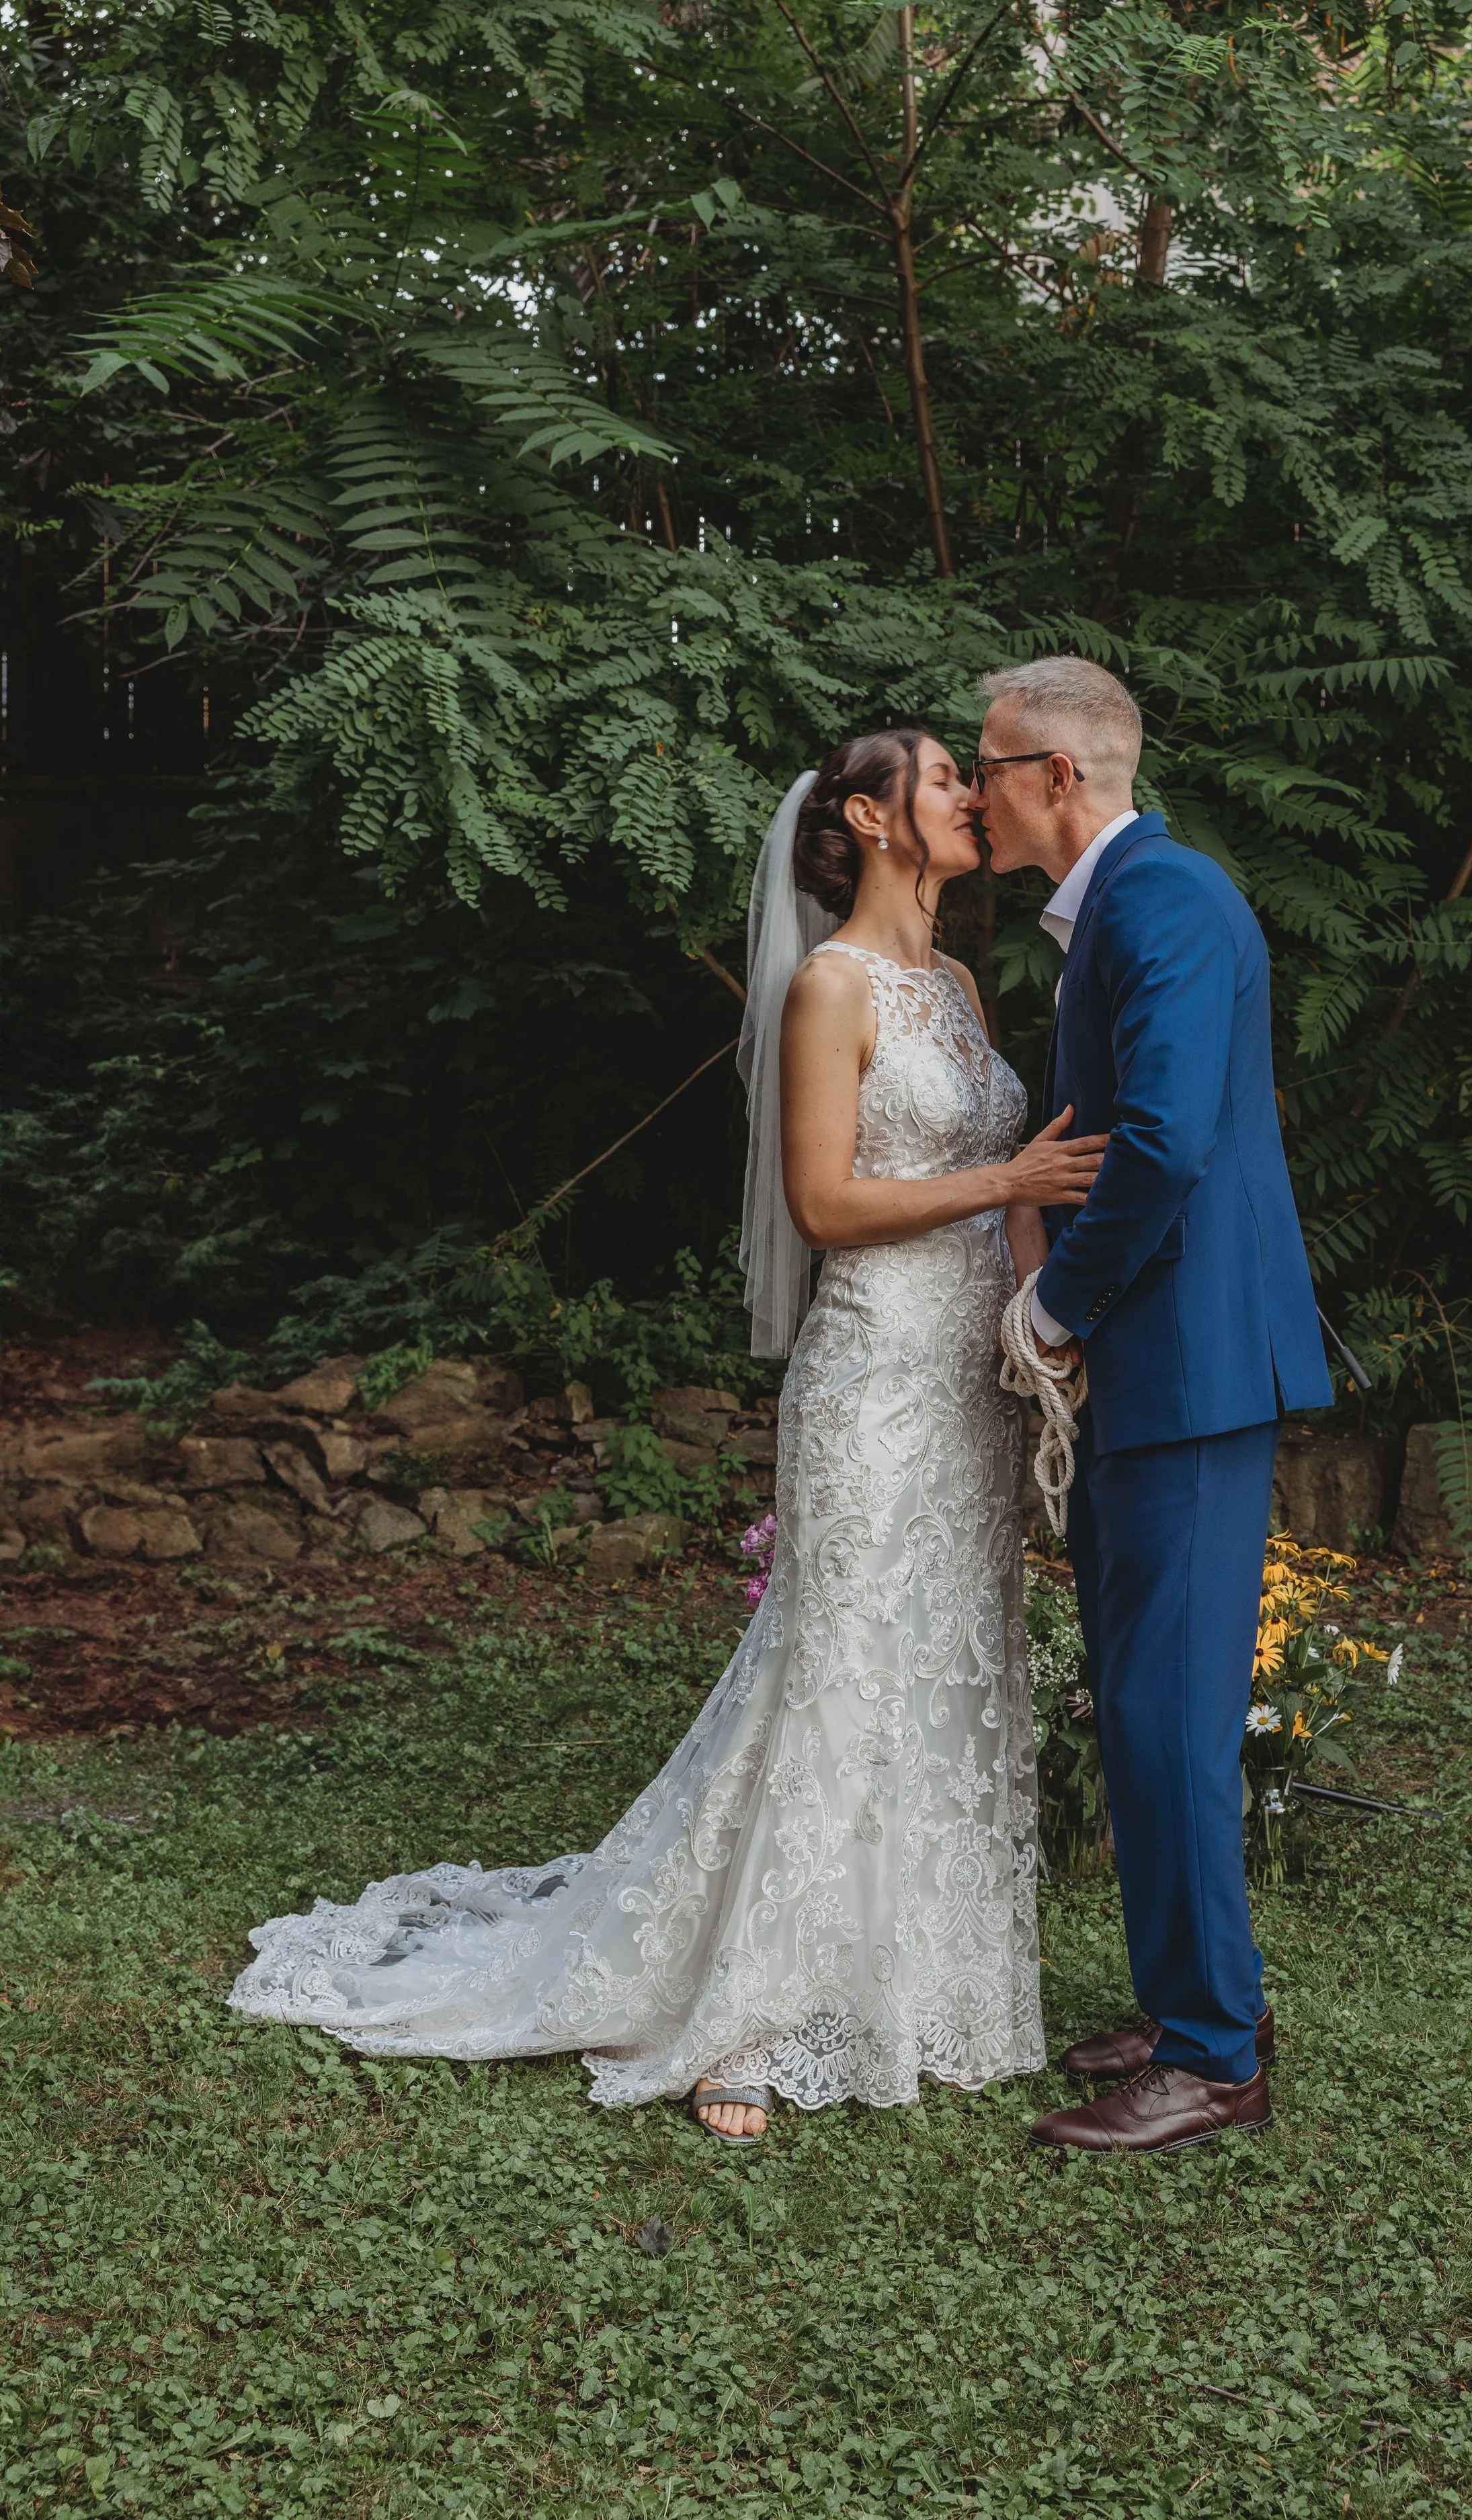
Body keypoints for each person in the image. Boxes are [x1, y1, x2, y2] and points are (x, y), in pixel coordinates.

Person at [229, 729, 1105, 2144]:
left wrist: (1033, 1319)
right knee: (835, 1672)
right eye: (943, 778)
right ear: (875, 820)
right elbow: (824, 1206)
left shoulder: (954, 987)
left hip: (965, 1389)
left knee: (949, 1664)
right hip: (871, 1379)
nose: (965, 797)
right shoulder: (829, 988)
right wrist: (1004, 1174)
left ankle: (923, 1984)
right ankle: (744, 2016)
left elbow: (998, 1196)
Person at [976, 655, 1332, 2156]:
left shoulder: (1161, 899)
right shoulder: (1115, 911)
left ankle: (1210, 2061)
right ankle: (1201, 2006)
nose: (969, 783)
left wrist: (1055, 1307)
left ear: (1059, 776)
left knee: (1170, 1718)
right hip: (1158, 1366)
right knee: (1136, 1707)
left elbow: (1168, 1141)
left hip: (1179, 1362)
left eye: (985, 761)